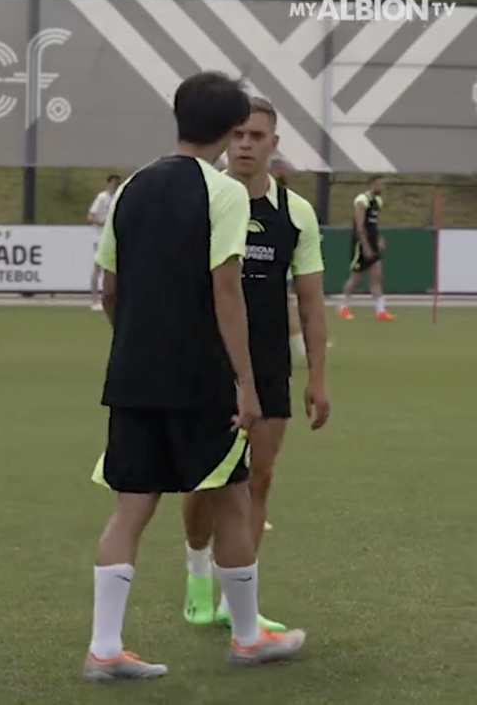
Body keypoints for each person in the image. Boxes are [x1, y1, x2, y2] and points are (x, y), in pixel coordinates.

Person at [82, 73, 306, 682]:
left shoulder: (130, 188)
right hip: (200, 378)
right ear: (231, 130)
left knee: (131, 507)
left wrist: (133, 344)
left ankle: (104, 647)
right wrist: (246, 381)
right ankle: (247, 638)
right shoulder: (224, 193)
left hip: (133, 373)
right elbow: (226, 291)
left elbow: (108, 288)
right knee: (231, 498)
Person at [182, 97, 330, 634]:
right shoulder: (199, 199)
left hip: (268, 365)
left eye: (257, 136)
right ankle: (197, 577)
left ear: (274, 143)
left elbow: (311, 302)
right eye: (239, 135)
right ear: (227, 138)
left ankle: (234, 599)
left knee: (259, 478)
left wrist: (317, 377)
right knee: (205, 480)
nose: (246, 145)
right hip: (207, 363)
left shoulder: (295, 212)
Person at [337, 176, 395, 320]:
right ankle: (343, 307)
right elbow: (359, 225)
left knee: (377, 276)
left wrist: (378, 238)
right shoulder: (362, 200)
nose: (381, 187)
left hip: (373, 243)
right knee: (355, 278)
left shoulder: (378, 201)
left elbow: (374, 223)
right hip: (361, 244)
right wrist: (365, 246)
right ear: (371, 184)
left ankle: (381, 311)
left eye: (383, 184)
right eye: (379, 184)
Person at [271, 156, 306, 361]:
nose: (286, 173)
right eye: (282, 168)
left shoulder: (288, 199)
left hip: (283, 261)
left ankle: (297, 347)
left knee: (288, 305)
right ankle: (299, 348)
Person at [87, 174, 121, 310]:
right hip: (100, 238)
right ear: (108, 184)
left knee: (113, 269)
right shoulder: (102, 198)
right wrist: (102, 222)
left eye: (117, 184)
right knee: (98, 268)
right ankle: (94, 300)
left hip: (113, 238)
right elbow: (90, 217)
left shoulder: (118, 198)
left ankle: (112, 299)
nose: (115, 186)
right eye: (113, 183)